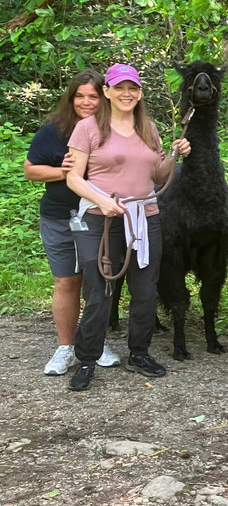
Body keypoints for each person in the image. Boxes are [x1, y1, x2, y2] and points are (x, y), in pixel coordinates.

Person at [64, 64, 191, 392]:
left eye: (132, 88)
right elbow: (74, 177)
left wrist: (175, 154)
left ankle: (139, 352)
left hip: (145, 218)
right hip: (100, 219)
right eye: (119, 87)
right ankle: (87, 359)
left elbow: (159, 176)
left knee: (145, 290)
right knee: (99, 290)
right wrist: (103, 201)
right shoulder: (89, 128)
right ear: (106, 91)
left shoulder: (148, 128)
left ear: (140, 92)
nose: (126, 93)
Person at [24, 70, 121, 374]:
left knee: (98, 282)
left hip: (99, 217)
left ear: (104, 96)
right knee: (66, 281)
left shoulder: (115, 129)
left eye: (93, 95)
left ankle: (94, 342)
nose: (86, 102)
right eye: (80, 95)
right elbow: (30, 170)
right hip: (59, 216)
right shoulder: (53, 130)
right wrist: (63, 173)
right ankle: (66, 348)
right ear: (70, 98)